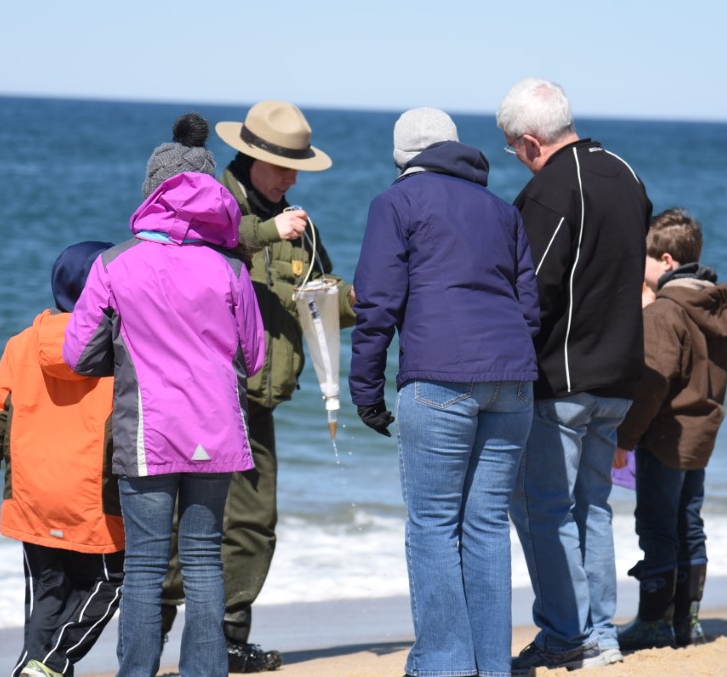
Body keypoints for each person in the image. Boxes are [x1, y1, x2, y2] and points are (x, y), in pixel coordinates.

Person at [64, 114, 266, 677]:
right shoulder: (230, 269)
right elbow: (255, 357)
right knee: (204, 561)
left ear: (153, 192)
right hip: (217, 431)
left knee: (147, 566)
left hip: (146, 432)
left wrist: (126, 355)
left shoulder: (114, 263)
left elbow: (77, 355)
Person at [350, 108, 540, 677]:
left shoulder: (396, 202)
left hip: (439, 379)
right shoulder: (501, 210)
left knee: (433, 526)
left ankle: (443, 665)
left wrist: (365, 390)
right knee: (485, 525)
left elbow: (377, 304)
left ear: (402, 156)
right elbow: (528, 307)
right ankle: (489, 665)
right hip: (512, 381)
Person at [170, 99, 353, 672]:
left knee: (252, 524)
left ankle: (226, 638)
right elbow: (194, 248)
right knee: (186, 525)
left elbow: (317, 299)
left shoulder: (300, 224)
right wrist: (266, 232)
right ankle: (151, 631)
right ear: (251, 157)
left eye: (298, 166)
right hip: (201, 399)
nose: (292, 179)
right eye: (283, 167)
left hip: (257, 404)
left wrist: (366, 297)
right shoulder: (208, 201)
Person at [496, 77, 652, 674]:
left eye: (514, 150)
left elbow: (529, 287)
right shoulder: (625, 170)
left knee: (543, 508)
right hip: (618, 375)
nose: (518, 161)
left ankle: (568, 633)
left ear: (532, 141)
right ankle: (600, 635)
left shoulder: (553, 189)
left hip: (562, 378)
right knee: (591, 507)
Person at [0, 240, 123, 677]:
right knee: (109, 583)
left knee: (47, 591)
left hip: (33, 493)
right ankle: (52, 662)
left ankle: (28, 671)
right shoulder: (120, 344)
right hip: (95, 496)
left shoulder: (23, 343)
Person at [614, 208, 727, 650]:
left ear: (666, 262)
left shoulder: (665, 312)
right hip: (700, 431)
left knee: (656, 527)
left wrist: (624, 440)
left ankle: (652, 622)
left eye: (643, 259)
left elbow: (652, 382)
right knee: (688, 523)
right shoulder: (712, 302)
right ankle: (687, 622)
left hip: (665, 435)